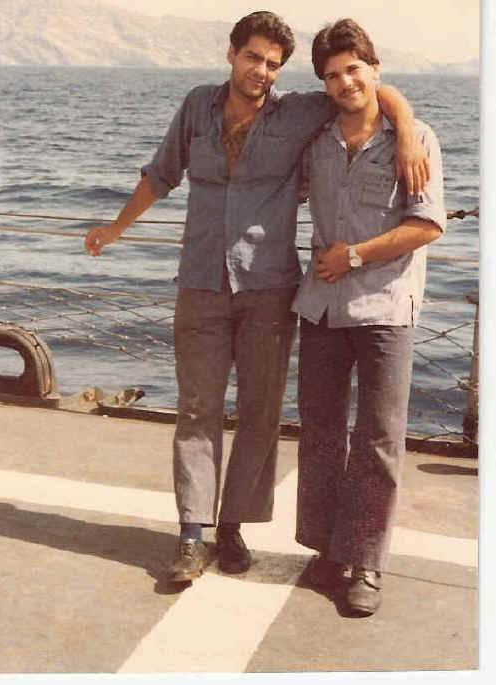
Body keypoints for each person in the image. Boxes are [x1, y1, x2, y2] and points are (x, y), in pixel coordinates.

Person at [84, 11, 427, 583]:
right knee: (197, 409)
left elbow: (368, 89)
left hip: (268, 287)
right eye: (252, 58)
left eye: (272, 64)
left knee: (260, 414)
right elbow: (161, 174)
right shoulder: (197, 106)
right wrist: (116, 228)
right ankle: (191, 533)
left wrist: (408, 131)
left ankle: (232, 527)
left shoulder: (297, 112)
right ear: (231, 54)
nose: (260, 71)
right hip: (200, 282)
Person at [294, 18, 445, 615]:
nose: (345, 82)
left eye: (354, 69)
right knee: (321, 432)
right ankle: (328, 550)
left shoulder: (417, 139)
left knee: (378, 439)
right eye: (332, 75)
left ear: (374, 69)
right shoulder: (316, 140)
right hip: (322, 308)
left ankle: (366, 563)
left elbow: (426, 225)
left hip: (385, 307)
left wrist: (354, 255)